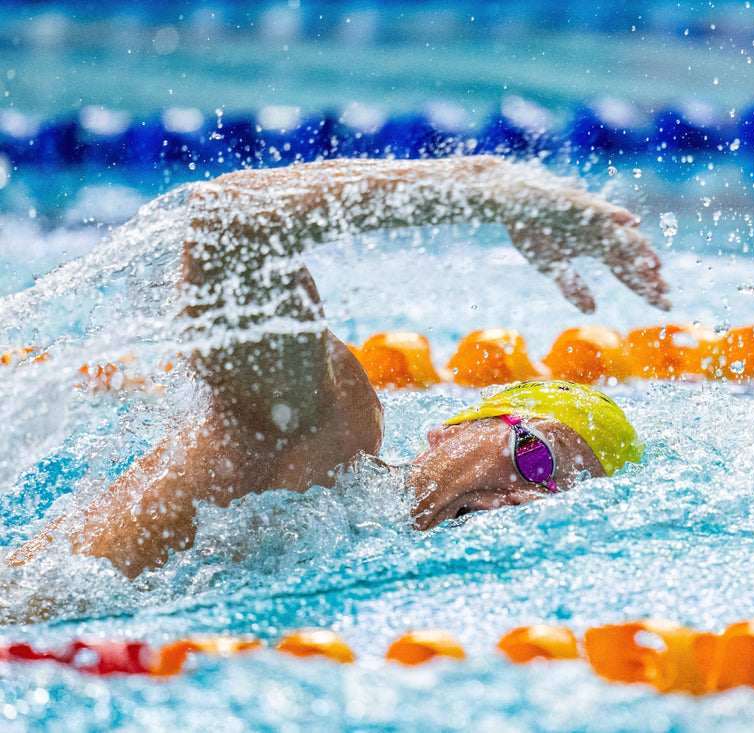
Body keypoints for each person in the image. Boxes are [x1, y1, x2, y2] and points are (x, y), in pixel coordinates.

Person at [6, 155, 669, 580]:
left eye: (558, 501)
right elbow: (233, 223)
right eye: (534, 458)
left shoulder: (367, 551)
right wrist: (482, 187)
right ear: (450, 427)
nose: (525, 499)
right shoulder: (331, 420)